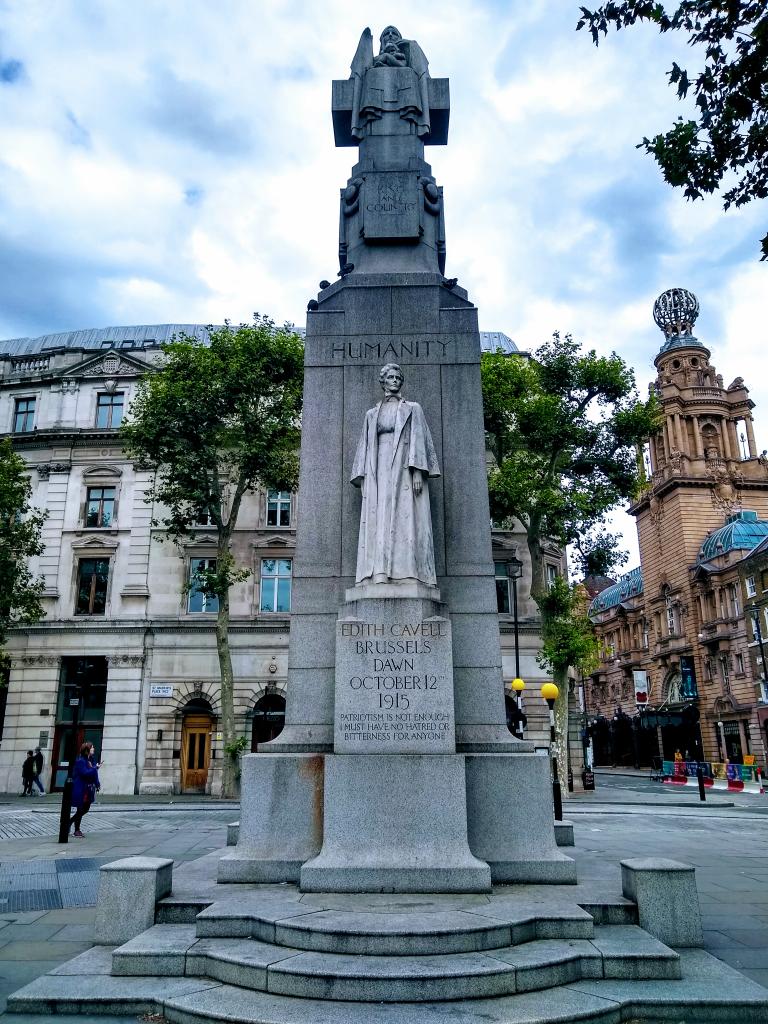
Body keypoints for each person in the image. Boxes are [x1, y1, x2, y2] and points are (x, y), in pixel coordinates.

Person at [351, 363, 440, 587]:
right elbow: (364, 445)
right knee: (379, 520)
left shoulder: (413, 408)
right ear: (383, 381)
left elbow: (419, 439)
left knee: (406, 519)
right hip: (378, 470)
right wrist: (363, 477)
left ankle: (409, 573)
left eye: (398, 377)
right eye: (390, 377)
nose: (394, 380)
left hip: (404, 469)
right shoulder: (372, 414)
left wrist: (418, 471)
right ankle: (378, 572)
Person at [69, 742, 101, 838]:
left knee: (86, 809)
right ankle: (77, 830)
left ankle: (70, 821)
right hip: (81, 787)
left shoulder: (91, 760)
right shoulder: (81, 761)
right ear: (87, 750)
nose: (93, 749)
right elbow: (85, 773)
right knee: (81, 808)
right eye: (92, 747)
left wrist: (97, 783)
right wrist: (95, 768)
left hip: (88, 788)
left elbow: (94, 773)